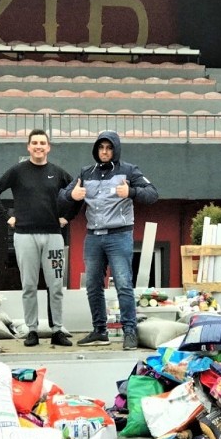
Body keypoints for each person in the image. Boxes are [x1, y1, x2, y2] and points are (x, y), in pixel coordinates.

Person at [59, 130, 158, 350]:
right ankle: (99, 331)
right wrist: (70, 196)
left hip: (119, 235)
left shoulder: (129, 170)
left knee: (123, 285)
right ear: (96, 150)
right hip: (93, 236)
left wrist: (131, 191)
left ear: (115, 149)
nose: (104, 152)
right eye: (101, 148)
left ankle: (129, 332)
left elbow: (152, 194)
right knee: (93, 286)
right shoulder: (86, 172)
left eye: (109, 148)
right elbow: (64, 195)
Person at [0, 129, 77, 347]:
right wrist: (6, 217)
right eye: (34, 143)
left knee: (55, 286)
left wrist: (67, 217)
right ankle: (32, 330)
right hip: (25, 235)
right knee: (29, 285)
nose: (38, 146)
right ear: (28, 147)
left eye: (42, 143)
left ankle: (57, 330)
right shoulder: (18, 171)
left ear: (48, 147)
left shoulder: (58, 173)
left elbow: (77, 194)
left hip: (54, 236)